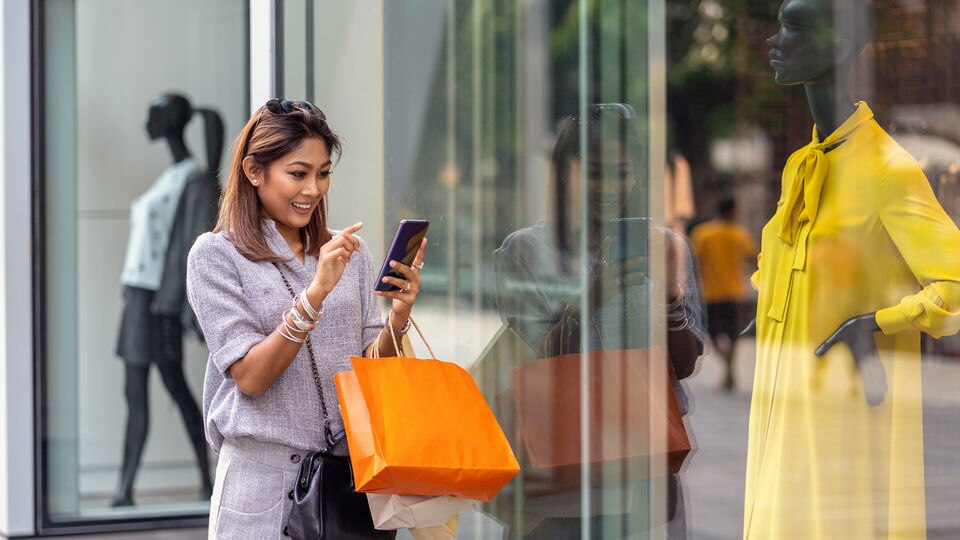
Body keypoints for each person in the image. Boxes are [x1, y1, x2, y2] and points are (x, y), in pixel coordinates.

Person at [744, 0, 960, 538]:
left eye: (793, 27)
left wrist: (879, 322)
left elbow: (954, 281)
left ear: (838, 47)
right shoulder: (801, 164)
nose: (774, 40)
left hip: (843, 403)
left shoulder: (890, 169)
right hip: (781, 389)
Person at [186, 99, 427, 537]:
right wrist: (314, 294)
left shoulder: (347, 253)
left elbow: (369, 372)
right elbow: (251, 377)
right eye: (298, 174)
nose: (313, 189)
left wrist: (398, 318)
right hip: (260, 490)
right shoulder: (216, 255)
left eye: (323, 173)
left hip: (343, 484)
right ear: (254, 171)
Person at [494, 104, 704, 539]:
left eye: (622, 172)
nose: (608, 186)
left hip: (643, 462)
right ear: (565, 173)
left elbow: (682, 366)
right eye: (593, 171)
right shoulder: (525, 251)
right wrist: (594, 294)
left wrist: (668, 298)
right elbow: (535, 360)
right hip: (558, 467)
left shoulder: (667, 248)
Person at [112, 93, 220, 507]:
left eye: (152, 115)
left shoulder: (191, 178)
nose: (146, 123)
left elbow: (188, 248)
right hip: (137, 295)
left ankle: (206, 481)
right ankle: (124, 491)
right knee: (136, 391)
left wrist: (177, 303)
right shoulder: (174, 175)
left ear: (170, 122)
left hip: (158, 300)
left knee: (175, 387)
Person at [690, 197, 757, 390]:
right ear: (731, 212)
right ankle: (730, 366)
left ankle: (727, 365)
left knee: (712, 333)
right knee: (734, 334)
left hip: (711, 293)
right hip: (735, 292)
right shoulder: (739, 234)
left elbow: (695, 262)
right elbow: (753, 257)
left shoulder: (702, 234)